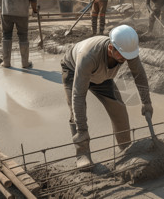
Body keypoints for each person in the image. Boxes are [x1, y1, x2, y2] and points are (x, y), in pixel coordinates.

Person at [60, 25, 153, 169]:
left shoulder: (126, 50)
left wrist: (146, 102)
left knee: (118, 107)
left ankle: (126, 148)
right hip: (74, 70)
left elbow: (139, 74)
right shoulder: (88, 56)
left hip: (101, 75)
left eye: (127, 57)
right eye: (122, 56)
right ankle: (82, 152)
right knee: (76, 110)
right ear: (111, 48)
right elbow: (78, 95)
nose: (125, 59)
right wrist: (82, 132)